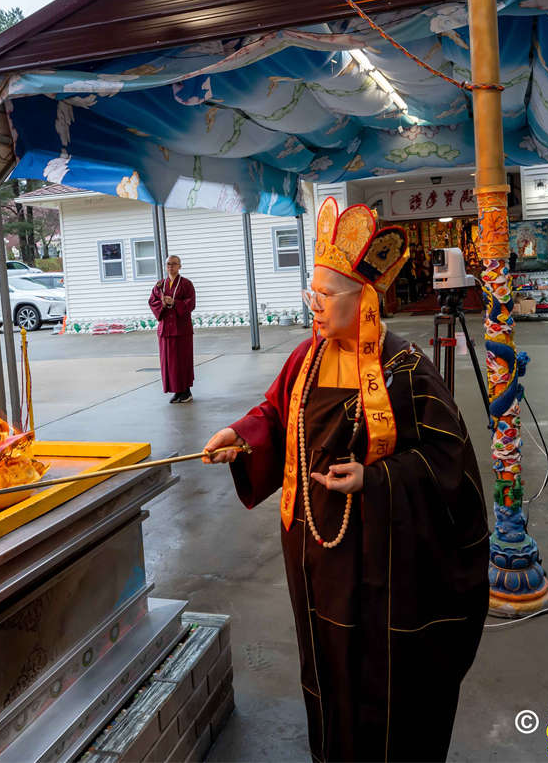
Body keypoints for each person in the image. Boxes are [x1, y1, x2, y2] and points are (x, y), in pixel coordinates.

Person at [203, 199, 489, 761]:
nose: (313, 304)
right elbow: (277, 417)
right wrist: (241, 436)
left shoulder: (405, 369)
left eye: (326, 294)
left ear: (365, 300)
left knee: (380, 672)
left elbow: (448, 459)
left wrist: (376, 480)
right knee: (325, 663)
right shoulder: (305, 359)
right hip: (315, 554)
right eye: (310, 292)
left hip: (381, 558)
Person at [148, 255, 195, 403]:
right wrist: (162, 304)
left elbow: (191, 303)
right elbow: (152, 301)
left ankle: (186, 391)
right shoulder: (160, 285)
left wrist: (175, 302)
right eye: (168, 264)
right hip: (165, 330)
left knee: (182, 360)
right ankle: (176, 391)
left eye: (174, 264)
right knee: (168, 362)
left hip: (181, 329)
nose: (171, 266)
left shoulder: (186, 284)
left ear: (180, 266)